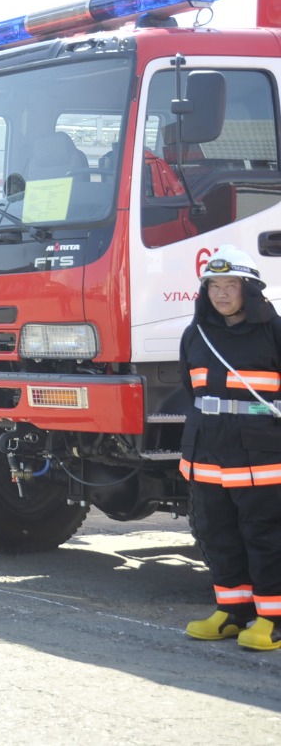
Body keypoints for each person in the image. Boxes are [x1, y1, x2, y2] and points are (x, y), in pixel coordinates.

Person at [179, 245, 281, 651]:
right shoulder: (196, 333)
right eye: (213, 285)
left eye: (230, 285)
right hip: (207, 457)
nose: (221, 294)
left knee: (264, 536)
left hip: (261, 459)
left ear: (250, 288)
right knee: (216, 533)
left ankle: (271, 619)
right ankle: (232, 612)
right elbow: (192, 391)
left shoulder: (273, 330)